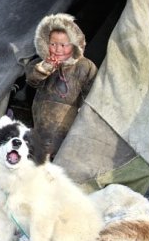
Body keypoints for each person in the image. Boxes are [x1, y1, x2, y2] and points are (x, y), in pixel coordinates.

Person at [24, 13, 97, 160]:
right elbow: (32, 80)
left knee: (63, 146)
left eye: (64, 45)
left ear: (75, 44)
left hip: (69, 113)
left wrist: (85, 111)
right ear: (45, 43)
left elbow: (92, 90)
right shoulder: (40, 63)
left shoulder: (85, 65)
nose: (58, 49)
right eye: (53, 44)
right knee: (41, 145)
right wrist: (44, 69)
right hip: (43, 112)